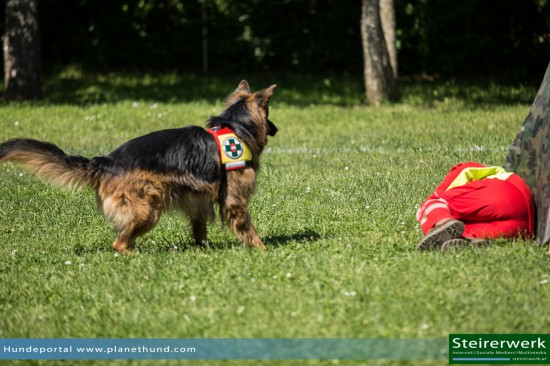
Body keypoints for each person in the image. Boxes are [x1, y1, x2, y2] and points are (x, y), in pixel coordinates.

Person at [416, 162, 535, 251]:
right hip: (526, 227)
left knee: (431, 205)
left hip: (507, 191)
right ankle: (463, 242)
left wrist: (432, 226)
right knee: (463, 232)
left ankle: (440, 225)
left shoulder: (459, 173)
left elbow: (436, 199)